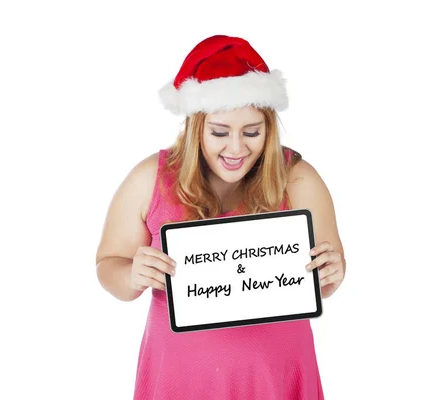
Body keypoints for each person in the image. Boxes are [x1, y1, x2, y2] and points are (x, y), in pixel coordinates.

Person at [96, 35, 346, 400]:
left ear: (269, 128)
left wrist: (331, 273)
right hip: (180, 378)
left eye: (252, 132)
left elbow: (325, 279)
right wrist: (131, 274)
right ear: (196, 128)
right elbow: (108, 265)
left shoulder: (299, 178)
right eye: (219, 132)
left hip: (276, 378)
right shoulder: (150, 178)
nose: (235, 148)